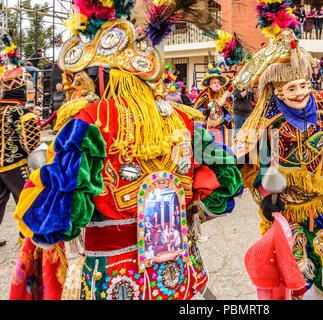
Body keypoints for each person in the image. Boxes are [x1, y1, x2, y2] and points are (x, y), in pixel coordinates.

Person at [10, 8, 243, 301]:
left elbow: (59, 219)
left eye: (86, 80)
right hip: (178, 271)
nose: (81, 87)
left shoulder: (92, 119)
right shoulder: (183, 117)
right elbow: (228, 182)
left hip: (114, 274)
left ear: (104, 78)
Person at [234, 25, 323, 300]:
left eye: (304, 85)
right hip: (287, 210)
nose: (300, 93)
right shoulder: (266, 122)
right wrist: (267, 198)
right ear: (277, 92)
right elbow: (254, 167)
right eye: (291, 88)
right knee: (293, 270)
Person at [0, 42, 41, 248]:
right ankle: (29, 238)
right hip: (15, 165)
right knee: (26, 198)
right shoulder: (22, 112)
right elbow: (31, 143)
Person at [193, 65, 234, 146]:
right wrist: (204, 111)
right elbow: (196, 108)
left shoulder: (223, 96)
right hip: (207, 125)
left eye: (218, 83)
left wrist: (226, 119)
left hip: (220, 126)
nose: (217, 84)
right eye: (215, 83)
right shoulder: (204, 95)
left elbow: (229, 110)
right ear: (210, 85)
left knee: (220, 146)